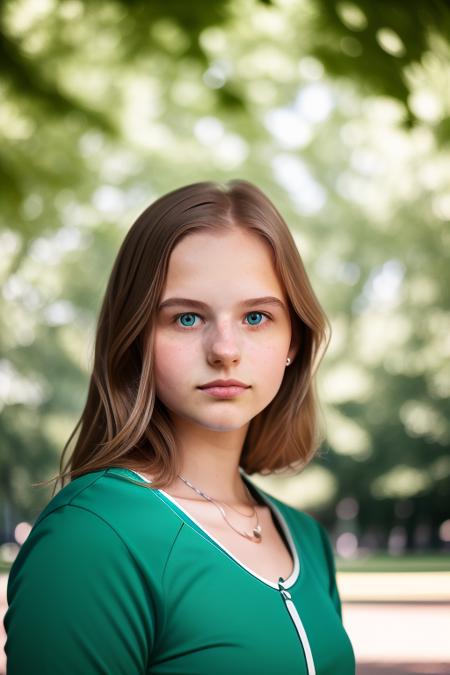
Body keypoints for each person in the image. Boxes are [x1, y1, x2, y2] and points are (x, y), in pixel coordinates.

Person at [4, 179, 356, 674]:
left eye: (256, 317)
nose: (225, 349)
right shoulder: (91, 536)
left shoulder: (305, 538)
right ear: (135, 338)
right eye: (187, 319)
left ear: (293, 340)